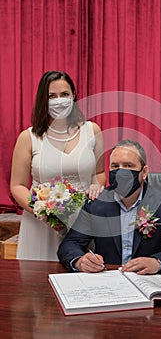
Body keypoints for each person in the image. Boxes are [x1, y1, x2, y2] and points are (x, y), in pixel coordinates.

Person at [58, 139, 161, 275]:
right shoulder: (96, 204)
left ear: (144, 172)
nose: (121, 172)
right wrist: (79, 261)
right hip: (108, 281)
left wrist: (157, 262)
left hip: (148, 281)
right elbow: (69, 245)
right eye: (115, 166)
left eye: (128, 166)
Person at [10, 70, 106, 261]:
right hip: (41, 224)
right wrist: (43, 212)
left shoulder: (92, 130)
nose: (59, 101)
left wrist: (97, 186)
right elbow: (17, 185)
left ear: (73, 96)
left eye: (64, 95)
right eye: (52, 96)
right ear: (42, 100)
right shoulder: (28, 137)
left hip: (83, 219)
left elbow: (100, 172)